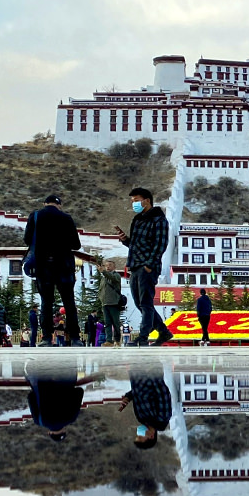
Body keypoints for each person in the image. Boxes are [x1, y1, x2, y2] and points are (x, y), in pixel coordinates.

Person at [117, 187, 173, 346]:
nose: (133, 203)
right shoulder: (137, 219)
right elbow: (135, 245)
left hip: (147, 267)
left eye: (136, 200)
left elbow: (160, 244)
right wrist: (125, 240)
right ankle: (164, 332)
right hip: (135, 265)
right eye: (132, 201)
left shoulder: (159, 220)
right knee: (139, 303)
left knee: (146, 303)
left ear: (147, 200)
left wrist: (150, 264)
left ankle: (142, 337)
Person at [24, 194, 82, 347]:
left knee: (46, 303)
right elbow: (76, 245)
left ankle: (46, 338)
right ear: (59, 205)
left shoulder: (35, 216)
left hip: (43, 266)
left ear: (45, 204)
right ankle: (75, 338)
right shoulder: (66, 218)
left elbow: (27, 240)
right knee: (69, 302)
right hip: (64, 266)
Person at [26, 361, 103, 442]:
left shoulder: (71, 418)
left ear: (64, 430)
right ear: (49, 433)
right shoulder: (38, 421)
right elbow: (30, 396)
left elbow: (79, 391)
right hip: (42, 377)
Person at [120, 361, 172, 450]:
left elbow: (139, 393)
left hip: (135, 370)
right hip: (149, 367)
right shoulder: (162, 417)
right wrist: (152, 373)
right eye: (140, 437)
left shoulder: (141, 418)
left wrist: (128, 397)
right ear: (151, 436)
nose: (138, 434)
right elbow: (163, 393)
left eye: (137, 436)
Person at [97, 261, 123, 347]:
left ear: (114, 267)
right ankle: (109, 340)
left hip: (114, 302)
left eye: (110, 265)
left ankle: (117, 340)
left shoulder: (116, 275)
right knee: (107, 323)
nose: (108, 267)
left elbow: (112, 278)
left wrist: (103, 272)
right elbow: (101, 289)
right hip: (105, 303)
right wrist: (101, 298)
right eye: (106, 266)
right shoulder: (103, 278)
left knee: (115, 322)